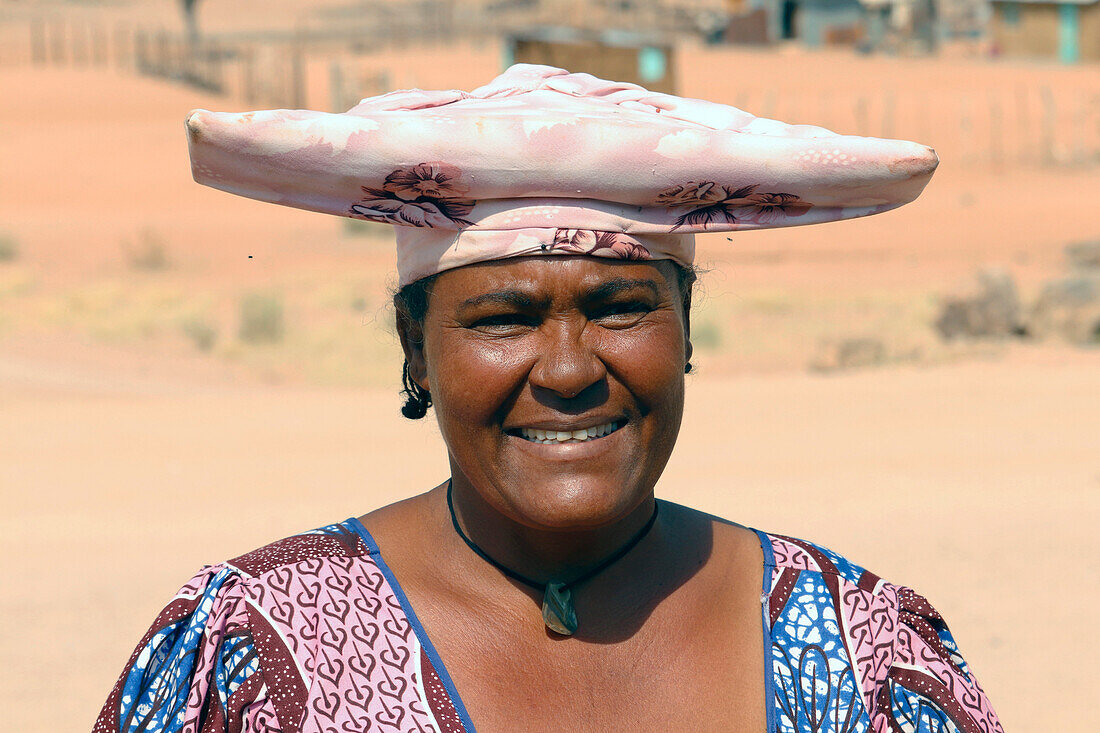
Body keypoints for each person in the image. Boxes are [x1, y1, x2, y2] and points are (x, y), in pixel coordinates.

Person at [94, 65, 1001, 732]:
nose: (568, 370)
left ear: (685, 333)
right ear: (416, 351)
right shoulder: (252, 644)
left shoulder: (861, 650)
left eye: (619, 307)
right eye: (503, 318)